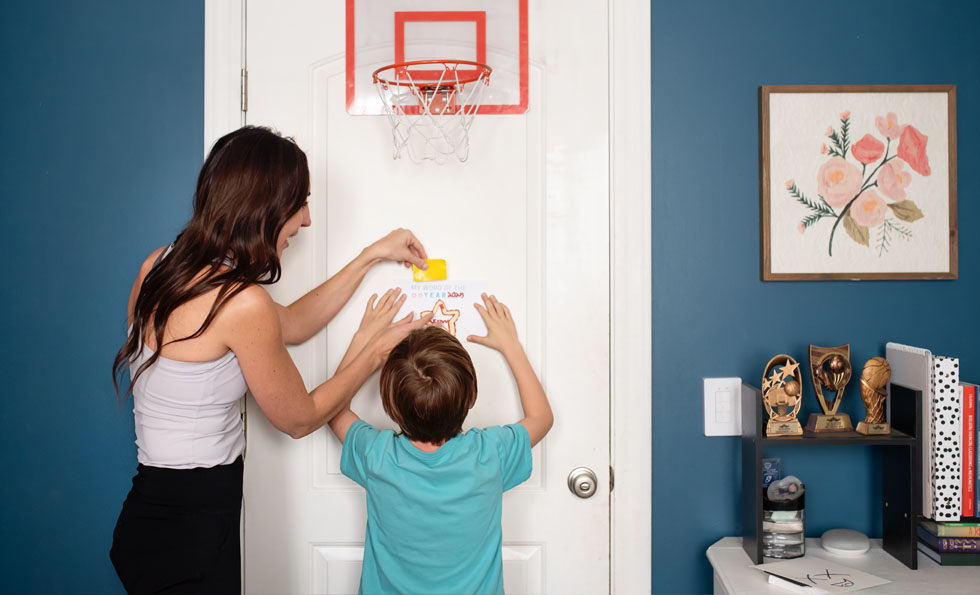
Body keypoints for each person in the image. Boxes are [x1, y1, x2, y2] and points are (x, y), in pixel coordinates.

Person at [109, 126, 432, 594]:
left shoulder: (161, 264)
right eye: (298, 203)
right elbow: (299, 419)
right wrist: (373, 353)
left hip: (152, 515)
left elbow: (296, 323)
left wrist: (370, 256)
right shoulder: (241, 303)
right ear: (262, 209)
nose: (305, 221)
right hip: (191, 533)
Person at [328, 292, 554, 594]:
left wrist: (366, 340)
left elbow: (332, 408)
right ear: (472, 398)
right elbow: (541, 417)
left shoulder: (376, 455)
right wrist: (511, 345)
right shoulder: (490, 454)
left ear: (389, 405)